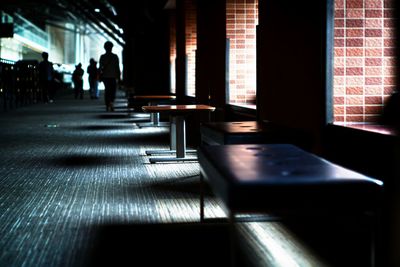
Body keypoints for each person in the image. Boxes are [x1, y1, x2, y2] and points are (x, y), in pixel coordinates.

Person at [99, 41, 120, 111]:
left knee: (107, 90)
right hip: (113, 76)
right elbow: (117, 67)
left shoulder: (102, 57)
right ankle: (111, 103)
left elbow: (100, 68)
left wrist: (99, 76)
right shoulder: (115, 57)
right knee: (113, 91)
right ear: (112, 47)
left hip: (105, 76)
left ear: (105, 48)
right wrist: (119, 76)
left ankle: (108, 104)